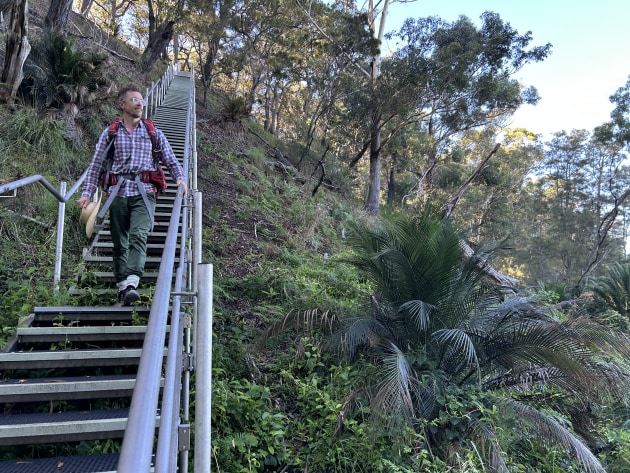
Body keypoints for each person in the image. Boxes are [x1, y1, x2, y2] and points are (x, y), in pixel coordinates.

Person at [77, 84, 188, 306]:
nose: (140, 103)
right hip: (117, 193)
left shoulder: (152, 132)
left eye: (141, 100)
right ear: (122, 105)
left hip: (144, 193)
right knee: (119, 242)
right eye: (134, 100)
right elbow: (97, 164)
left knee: (139, 235)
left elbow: (170, 158)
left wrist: (181, 178)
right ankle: (122, 287)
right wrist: (87, 193)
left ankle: (132, 283)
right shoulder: (111, 132)